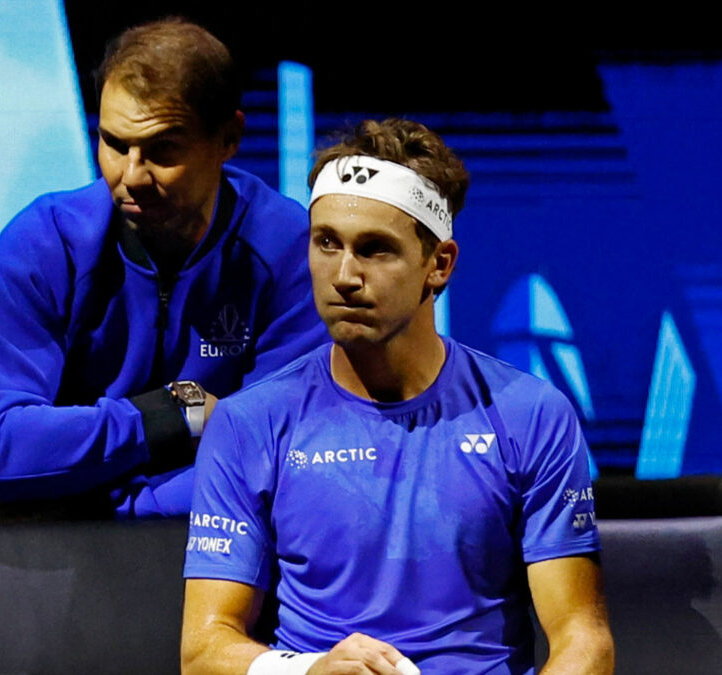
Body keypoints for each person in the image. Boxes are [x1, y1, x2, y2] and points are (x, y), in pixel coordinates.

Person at [181, 119, 615, 674]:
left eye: (375, 250)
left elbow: (584, 640)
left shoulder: (531, 416)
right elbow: (203, 650)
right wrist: (309, 671)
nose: (343, 275)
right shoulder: (248, 424)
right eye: (326, 243)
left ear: (439, 264)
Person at [0, 18, 325, 520]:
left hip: (228, 563)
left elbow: (275, 463)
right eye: (113, 143)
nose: (130, 176)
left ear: (229, 137)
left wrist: (75, 505)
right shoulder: (42, 246)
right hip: (82, 572)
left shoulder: (288, 252)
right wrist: (178, 410)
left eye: (162, 150)